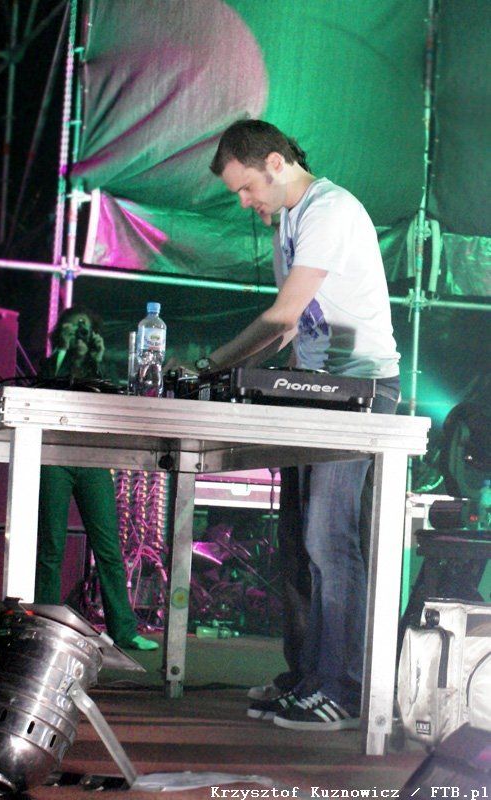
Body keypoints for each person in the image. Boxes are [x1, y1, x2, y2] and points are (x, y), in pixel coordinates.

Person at [185, 119, 401, 730]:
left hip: (360, 392)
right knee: (298, 544)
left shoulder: (328, 210)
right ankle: (308, 678)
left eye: (246, 187)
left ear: (276, 164)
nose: (243, 201)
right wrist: (231, 377)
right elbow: (290, 330)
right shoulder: (289, 221)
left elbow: (282, 314)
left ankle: (344, 689)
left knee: (330, 540)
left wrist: (210, 365)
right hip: (318, 392)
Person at [34, 306, 158, 651]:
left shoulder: (99, 367)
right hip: (54, 457)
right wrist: (63, 349)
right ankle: (45, 622)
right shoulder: (51, 363)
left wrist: (98, 358)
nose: (78, 333)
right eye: (72, 327)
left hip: (91, 460)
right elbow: (46, 384)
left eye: (84, 328)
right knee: (51, 545)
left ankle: (124, 630)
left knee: (108, 548)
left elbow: (116, 397)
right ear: (59, 331)